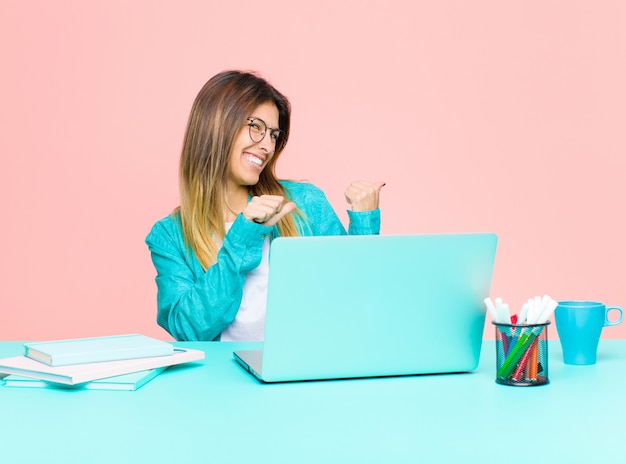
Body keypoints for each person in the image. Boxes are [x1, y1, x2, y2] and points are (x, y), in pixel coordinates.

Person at [146, 70, 385, 342]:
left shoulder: (304, 202)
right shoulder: (169, 235)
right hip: (222, 380)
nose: (267, 146)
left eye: (273, 134)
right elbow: (189, 330)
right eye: (256, 126)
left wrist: (365, 223)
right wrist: (242, 235)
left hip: (303, 374)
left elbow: (357, 294)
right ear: (216, 125)